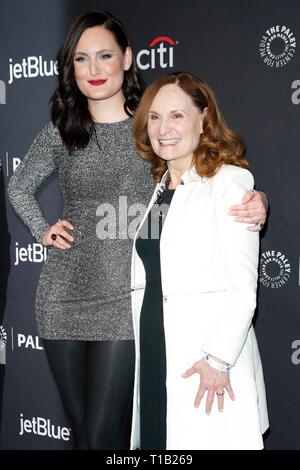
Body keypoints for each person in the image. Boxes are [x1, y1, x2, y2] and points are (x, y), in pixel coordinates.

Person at [7, 11, 267, 450]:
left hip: (128, 304)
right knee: (86, 436)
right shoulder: (63, 131)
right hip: (62, 295)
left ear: (127, 58)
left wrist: (257, 200)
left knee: (111, 436)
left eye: (105, 55)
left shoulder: (152, 127)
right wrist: (41, 229)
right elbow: (18, 185)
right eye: (81, 59)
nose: (94, 69)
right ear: (70, 68)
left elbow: (204, 180)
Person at [130, 72, 269, 450]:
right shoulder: (159, 189)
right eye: (155, 117)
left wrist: (218, 359)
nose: (163, 128)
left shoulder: (229, 182)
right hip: (156, 349)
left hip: (203, 361)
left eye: (176, 115)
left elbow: (243, 288)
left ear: (203, 118)